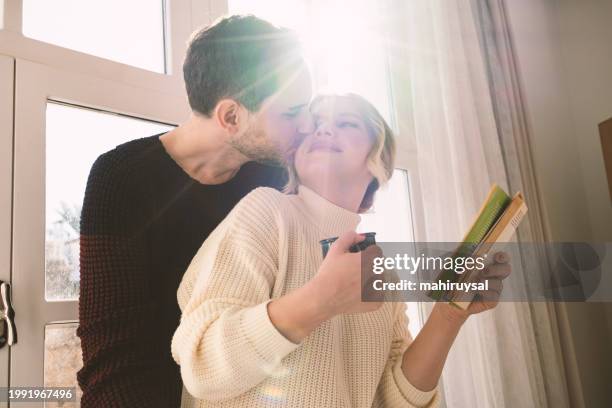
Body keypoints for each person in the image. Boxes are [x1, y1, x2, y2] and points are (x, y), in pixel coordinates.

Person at [171, 93, 512, 407]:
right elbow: (202, 365)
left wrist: (449, 314)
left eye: (346, 123)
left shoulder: (381, 271)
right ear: (294, 156)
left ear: (377, 160)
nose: (323, 130)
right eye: (315, 124)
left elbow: (393, 401)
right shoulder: (266, 211)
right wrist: (320, 301)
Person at [76, 15, 313, 407]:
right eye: (291, 113)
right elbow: (113, 351)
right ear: (231, 117)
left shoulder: (280, 177)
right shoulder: (121, 178)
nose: (307, 126)